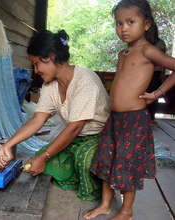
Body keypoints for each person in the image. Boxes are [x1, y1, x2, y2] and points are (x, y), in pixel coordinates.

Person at [83, 0, 175, 219]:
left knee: (127, 163)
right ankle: (106, 204)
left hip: (134, 119)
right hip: (114, 119)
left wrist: (157, 93)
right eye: (118, 23)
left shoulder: (148, 51)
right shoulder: (123, 54)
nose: (122, 28)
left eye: (130, 22)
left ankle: (126, 210)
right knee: (106, 159)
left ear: (146, 24)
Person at [0, 30, 110, 201]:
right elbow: (37, 119)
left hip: (99, 137)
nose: (35, 71)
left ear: (50, 57)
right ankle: (73, 172)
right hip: (74, 138)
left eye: (36, 64)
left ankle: (93, 184)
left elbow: (74, 128)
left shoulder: (85, 81)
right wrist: (8, 144)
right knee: (39, 160)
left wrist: (44, 157)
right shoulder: (50, 86)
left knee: (84, 160)